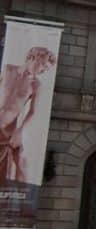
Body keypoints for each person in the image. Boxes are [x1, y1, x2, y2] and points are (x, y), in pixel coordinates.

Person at [0, 46, 57, 183]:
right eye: (43, 65)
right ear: (34, 57)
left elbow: (33, 112)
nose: (43, 71)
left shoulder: (36, 85)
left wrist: (20, 130)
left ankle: (21, 202)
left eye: (46, 69)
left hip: (8, 130)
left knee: (21, 163)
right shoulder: (7, 69)